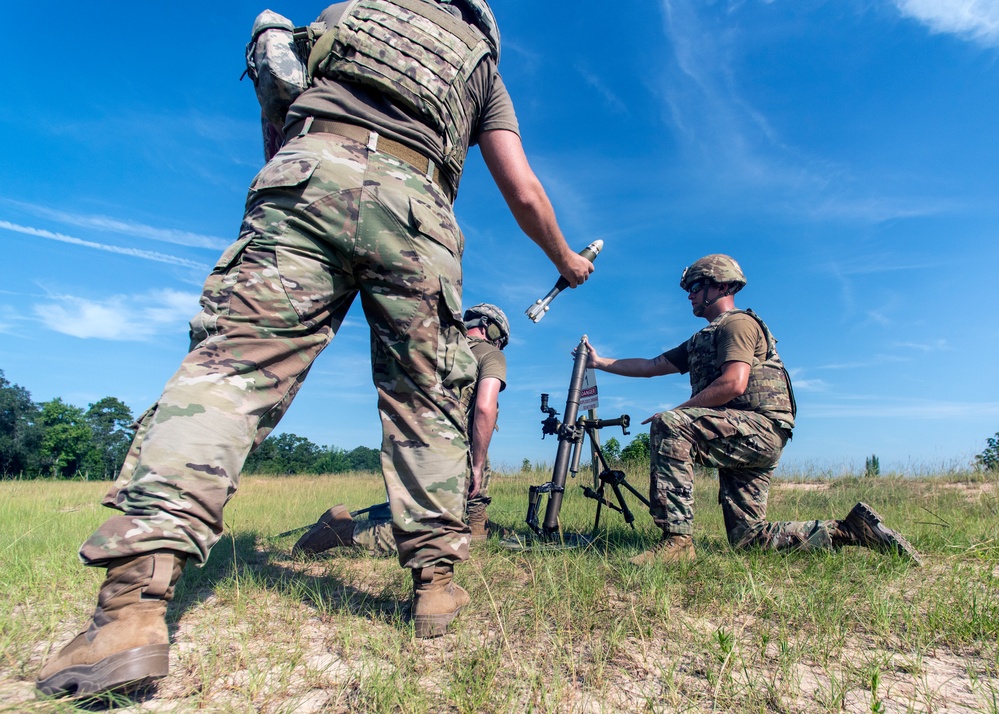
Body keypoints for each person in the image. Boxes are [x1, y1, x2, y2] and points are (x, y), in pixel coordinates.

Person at [36, 0, 593, 698]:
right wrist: (566, 259)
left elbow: (278, 97)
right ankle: (434, 587)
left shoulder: (350, 12)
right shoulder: (480, 66)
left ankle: (131, 606)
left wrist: (295, 174)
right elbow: (523, 188)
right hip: (418, 209)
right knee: (425, 401)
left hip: (304, 174)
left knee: (234, 371)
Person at [580, 254, 920, 566]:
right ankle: (850, 530)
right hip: (740, 433)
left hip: (757, 429)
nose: (690, 295)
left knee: (670, 425)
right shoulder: (704, 337)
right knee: (749, 539)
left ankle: (678, 543)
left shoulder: (736, 325)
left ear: (723, 286)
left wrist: (677, 412)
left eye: (696, 287)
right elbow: (652, 365)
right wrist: (599, 362)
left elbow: (733, 384)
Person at [293, 303, 510, 557]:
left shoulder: (438, 348)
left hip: (410, 438)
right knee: (438, 536)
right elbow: (485, 408)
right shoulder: (489, 354)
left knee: (454, 514)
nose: (500, 346)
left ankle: (478, 528)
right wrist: (478, 464)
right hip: (445, 449)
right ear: (489, 328)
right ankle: (342, 531)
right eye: (501, 340)